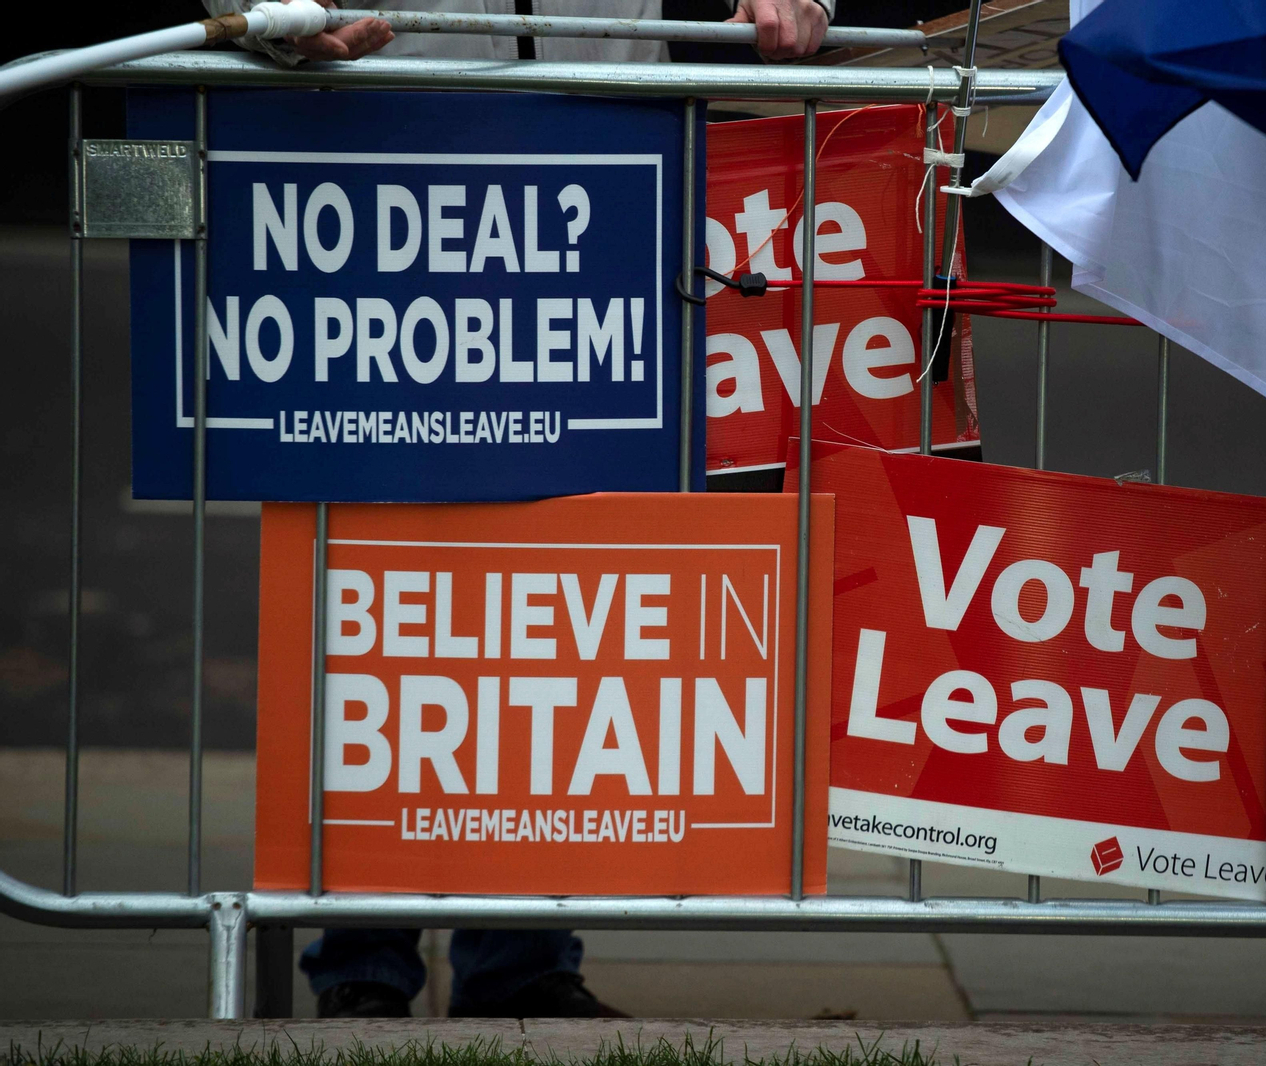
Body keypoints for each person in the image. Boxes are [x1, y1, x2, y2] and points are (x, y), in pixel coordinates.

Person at [201, 0, 833, 1020]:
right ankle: (364, 957)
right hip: (382, 174)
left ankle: (518, 957)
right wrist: (273, 18)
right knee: (381, 582)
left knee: (558, 577)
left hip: (601, 180)